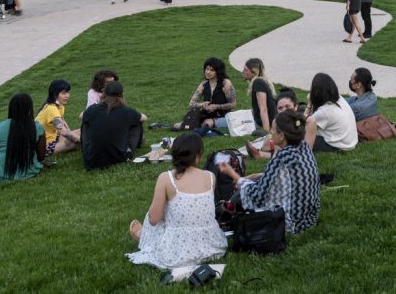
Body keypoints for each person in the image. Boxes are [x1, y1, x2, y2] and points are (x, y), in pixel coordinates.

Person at [127, 133, 228, 269]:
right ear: (198, 156)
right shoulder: (210, 177)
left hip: (177, 251)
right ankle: (144, 234)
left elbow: (154, 219)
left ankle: (142, 234)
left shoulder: (166, 178)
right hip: (212, 245)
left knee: (152, 214)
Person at [218, 110, 320, 234]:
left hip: (289, 223)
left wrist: (234, 175)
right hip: (308, 219)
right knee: (254, 180)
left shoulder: (281, 159)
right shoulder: (305, 149)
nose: (270, 132)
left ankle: (225, 217)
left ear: (282, 136)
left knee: (239, 196)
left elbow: (257, 197)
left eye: (272, 129)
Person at [81, 81, 146, 170]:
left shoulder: (93, 109)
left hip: (91, 160)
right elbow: (144, 118)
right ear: (121, 95)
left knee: (86, 122)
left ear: (103, 94)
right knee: (137, 122)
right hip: (119, 158)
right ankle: (132, 148)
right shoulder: (127, 111)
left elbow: (81, 116)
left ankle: (93, 149)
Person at [178, 57, 236, 136]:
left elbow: (233, 104)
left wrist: (216, 106)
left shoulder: (225, 83)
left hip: (224, 116)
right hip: (206, 114)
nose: (208, 72)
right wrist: (202, 104)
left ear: (218, 71)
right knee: (184, 124)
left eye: (212, 70)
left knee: (206, 123)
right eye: (207, 69)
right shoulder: (204, 84)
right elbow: (191, 103)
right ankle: (159, 125)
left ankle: (198, 132)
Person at [304, 73, 358, 152]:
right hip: (350, 141)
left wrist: (309, 104)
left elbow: (304, 125)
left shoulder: (324, 111)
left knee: (301, 136)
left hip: (339, 146)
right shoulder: (339, 99)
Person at [36, 79, 81, 155]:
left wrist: (71, 134)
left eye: (68, 92)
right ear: (55, 94)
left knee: (83, 130)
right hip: (43, 146)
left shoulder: (60, 106)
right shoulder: (51, 108)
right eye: (64, 93)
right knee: (74, 143)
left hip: (54, 137)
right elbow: (63, 131)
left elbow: (63, 122)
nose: (67, 95)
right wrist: (82, 141)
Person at [242, 57, 277, 134]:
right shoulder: (262, 81)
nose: (242, 72)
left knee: (232, 121)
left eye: (246, 70)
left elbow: (263, 108)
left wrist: (266, 132)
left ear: (254, 72)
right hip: (264, 120)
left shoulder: (258, 83)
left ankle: (213, 122)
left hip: (261, 122)